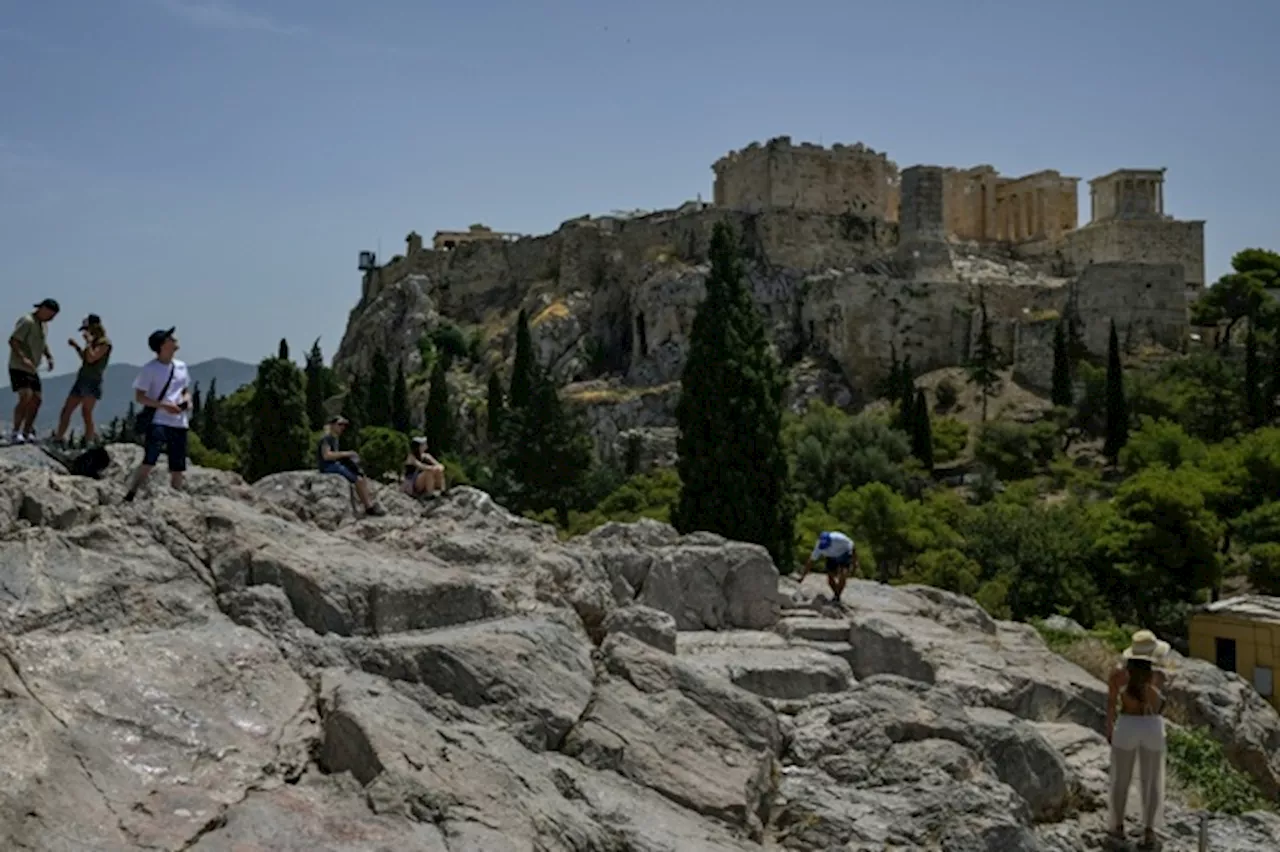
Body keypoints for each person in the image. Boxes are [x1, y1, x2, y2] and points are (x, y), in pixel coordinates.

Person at [1106, 629, 1171, 848]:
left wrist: (1109, 727)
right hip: (1151, 725)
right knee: (1151, 780)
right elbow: (1160, 707)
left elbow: (1111, 705)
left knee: (1120, 779)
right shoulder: (1158, 677)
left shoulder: (1118, 675)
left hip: (1126, 725)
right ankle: (1149, 830)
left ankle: (1117, 826)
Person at [124, 328, 191, 502]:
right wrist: (163, 405)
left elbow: (184, 389)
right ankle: (132, 493)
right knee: (150, 459)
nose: (175, 340)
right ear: (162, 345)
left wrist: (187, 400)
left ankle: (177, 498)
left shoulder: (181, 366)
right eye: (170, 338)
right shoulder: (150, 369)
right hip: (158, 419)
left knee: (178, 464)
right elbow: (139, 396)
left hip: (179, 421)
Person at [54, 314, 112, 446]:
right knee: (67, 409)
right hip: (82, 378)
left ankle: (89, 440)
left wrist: (88, 342)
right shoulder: (94, 342)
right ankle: (59, 437)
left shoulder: (104, 343)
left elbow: (92, 358)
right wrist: (77, 348)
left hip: (93, 380)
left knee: (86, 412)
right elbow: (86, 358)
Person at [8, 298, 59, 443]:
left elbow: (42, 343)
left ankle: (27, 431)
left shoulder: (43, 326)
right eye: (50, 314)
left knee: (37, 399)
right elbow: (13, 340)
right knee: (25, 396)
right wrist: (23, 358)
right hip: (19, 366)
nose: (51, 318)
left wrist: (49, 357)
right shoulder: (27, 321)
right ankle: (15, 431)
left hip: (33, 368)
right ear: (43, 309)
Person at [317, 415, 385, 516]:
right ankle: (368, 507)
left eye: (344, 425)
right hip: (328, 466)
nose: (342, 427)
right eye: (339, 424)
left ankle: (369, 502)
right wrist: (346, 454)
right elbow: (326, 455)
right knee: (357, 479)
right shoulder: (327, 438)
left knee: (361, 475)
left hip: (334, 464)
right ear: (332, 425)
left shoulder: (334, 438)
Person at [796, 530, 858, 604]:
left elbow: (852, 546)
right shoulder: (819, 546)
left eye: (827, 545)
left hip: (844, 554)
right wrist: (803, 576)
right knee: (830, 577)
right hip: (831, 557)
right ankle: (837, 595)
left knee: (843, 575)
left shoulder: (839, 538)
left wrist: (855, 563)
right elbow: (811, 561)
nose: (825, 547)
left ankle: (837, 596)